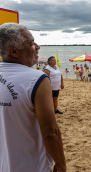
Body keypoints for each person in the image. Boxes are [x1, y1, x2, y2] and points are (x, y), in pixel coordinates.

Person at [0, 23, 66, 172]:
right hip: (32, 165)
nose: (37, 46)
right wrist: (61, 164)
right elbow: (50, 131)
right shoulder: (37, 79)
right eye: (31, 43)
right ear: (13, 51)